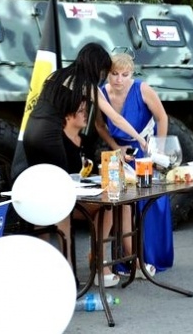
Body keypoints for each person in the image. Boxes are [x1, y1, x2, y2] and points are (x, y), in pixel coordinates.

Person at [20, 42, 148, 178]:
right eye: (102, 70)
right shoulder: (87, 85)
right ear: (96, 66)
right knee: (61, 179)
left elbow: (99, 123)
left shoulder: (56, 75)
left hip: (30, 131)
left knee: (38, 179)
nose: (102, 75)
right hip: (49, 135)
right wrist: (141, 139)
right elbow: (116, 119)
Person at [95, 52, 171, 276]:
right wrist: (115, 147)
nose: (119, 79)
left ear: (131, 74)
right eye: (114, 74)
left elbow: (162, 118)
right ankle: (125, 260)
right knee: (122, 204)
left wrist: (159, 149)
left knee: (151, 203)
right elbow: (100, 125)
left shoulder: (142, 89)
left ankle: (152, 257)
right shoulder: (101, 93)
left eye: (124, 74)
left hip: (146, 150)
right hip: (121, 154)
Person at [62, 101, 117, 287]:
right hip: (68, 199)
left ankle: (98, 257)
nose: (85, 115)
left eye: (86, 111)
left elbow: (90, 171)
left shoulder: (85, 141)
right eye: (81, 111)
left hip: (86, 195)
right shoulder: (58, 141)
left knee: (110, 206)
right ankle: (98, 262)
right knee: (107, 206)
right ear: (68, 116)